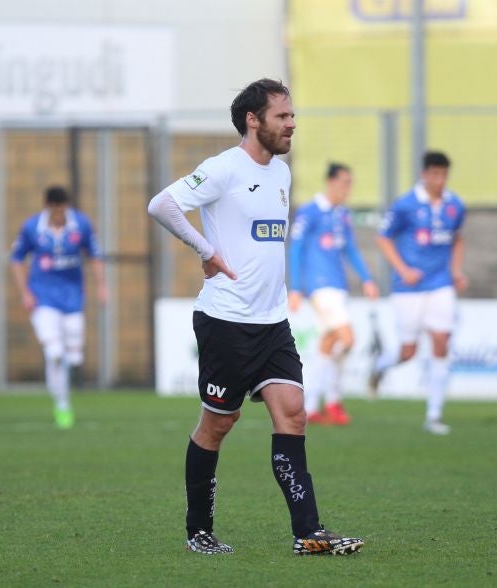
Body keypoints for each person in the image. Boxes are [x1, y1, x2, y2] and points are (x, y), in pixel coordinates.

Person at [147, 79, 362, 555]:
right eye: (282, 117)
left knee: (293, 415)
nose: (291, 124)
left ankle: (308, 533)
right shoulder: (223, 168)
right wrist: (205, 249)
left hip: (273, 322)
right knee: (218, 424)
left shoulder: (281, 174)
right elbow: (162, 204)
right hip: (225, 322)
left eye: (292, 116)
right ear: (253, 120)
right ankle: (198, 529)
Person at [371, 151, 467, 435]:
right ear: (424, 174)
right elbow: (383, 238)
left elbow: (458, 239)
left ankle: (434, 415)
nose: (439, 180)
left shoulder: (455, 205)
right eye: (434, 174)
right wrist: (403, 270)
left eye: (443, 175)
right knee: (408, 352)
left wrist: (457, 270)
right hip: (409, 289)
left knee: (441, 340)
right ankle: (379, 366)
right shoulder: (406, 205)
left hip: (440, 285)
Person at [287, 163, 379, 425]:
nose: (347, 188)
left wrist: (367, 279)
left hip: (338, 287)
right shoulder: (310, 212)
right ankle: (334, 399)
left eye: (350, 183)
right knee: (348, 339)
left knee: (327, 346)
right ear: (331, 182)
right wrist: (296, 289)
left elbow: (350, 250)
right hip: (320, 287)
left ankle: (311, 406)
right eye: (344, 183)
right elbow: (296, 250)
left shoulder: (343, 215)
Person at [9, 186, 107, 428]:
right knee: (54, 354)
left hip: (73, 299)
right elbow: (17, 259)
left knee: (73, 358)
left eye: (62, 209)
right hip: (43, 299)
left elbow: (95, 256)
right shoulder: (32, 227)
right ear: (47, 207)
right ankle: (62, 405)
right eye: (55, 209)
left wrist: (102, 286)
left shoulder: (81, 225)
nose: (59, 214)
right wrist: (25, 293)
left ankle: (65, 387)